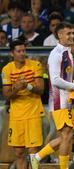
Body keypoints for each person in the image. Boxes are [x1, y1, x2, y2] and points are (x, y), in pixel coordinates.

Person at [30, 22, 74, 169]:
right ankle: (62, 166)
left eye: (72, 33)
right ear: (59, 35)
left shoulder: (67, 53)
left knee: (66, 136)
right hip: (58, 101)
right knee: (67, 136)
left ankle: (37, 157)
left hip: (66, 100)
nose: (71, 36)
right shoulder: (56, 54)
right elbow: (54, 80)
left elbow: (64, 77)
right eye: (68, 33)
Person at [2, 39, 44, 169]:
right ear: (12, 53)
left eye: (23, 50)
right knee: (19, 152)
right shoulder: (7, 69)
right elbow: (7, 94)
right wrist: (17, 89)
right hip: (16, 116)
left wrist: (28, 86)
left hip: (33, 113)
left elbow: (41, 90)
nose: (22, 53)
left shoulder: (35, 65)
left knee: (33, 152)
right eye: (19, 51)